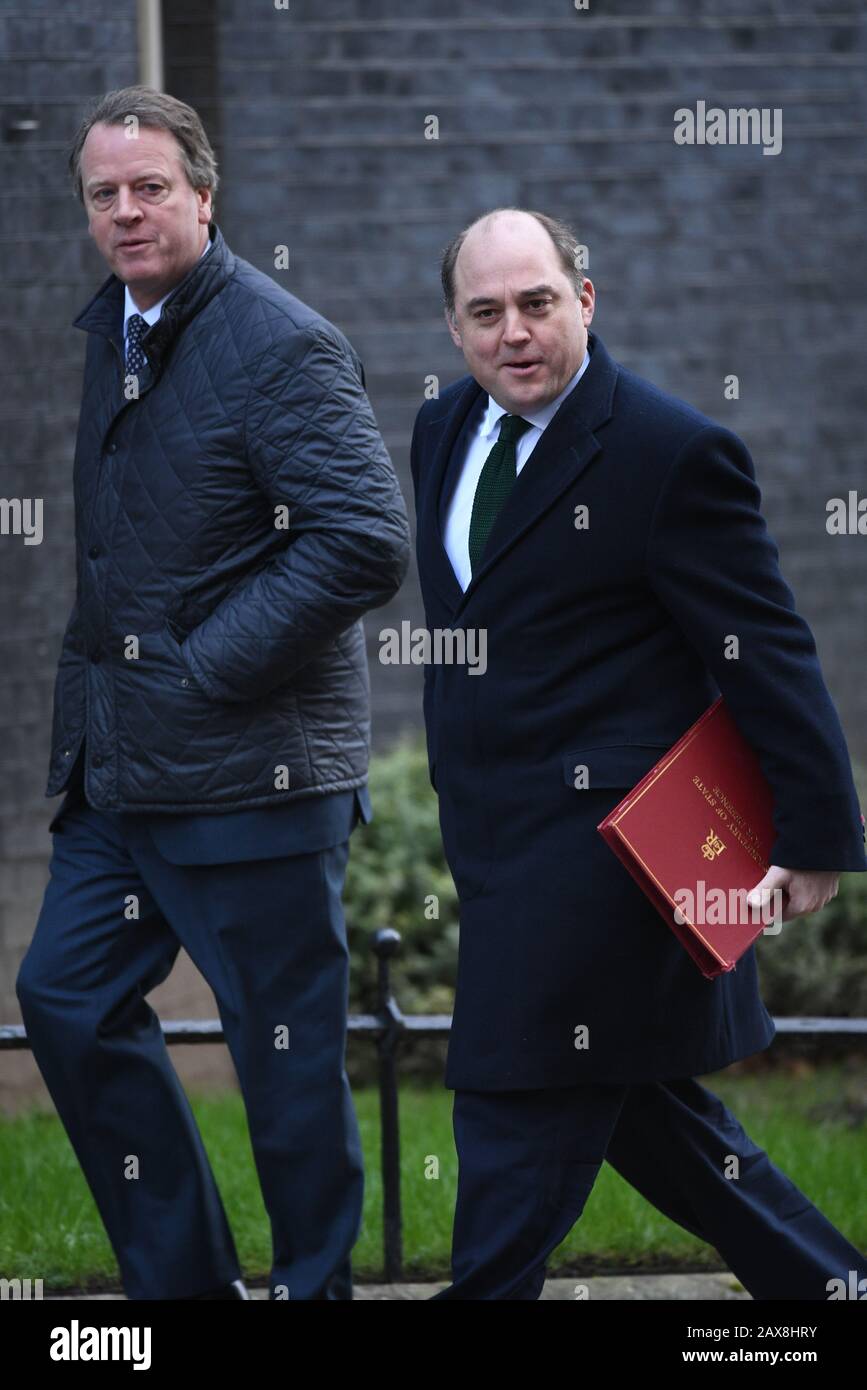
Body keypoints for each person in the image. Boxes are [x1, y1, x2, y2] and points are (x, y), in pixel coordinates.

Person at [410, 205, 867, 1300]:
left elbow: (765, 649)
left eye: (537, 304)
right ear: (455, 328)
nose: (514, 332)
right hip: (496, 843)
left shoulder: (670, 453)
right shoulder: (441, 432)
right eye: (486, 313)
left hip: (609, 867)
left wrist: (812, 835)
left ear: (586, 302)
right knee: (657, 1126)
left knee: (513, 1113)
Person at [15, 86, 410, 1301]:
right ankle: (181, 1286)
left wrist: (207, 668)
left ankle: (314, 1291)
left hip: (255, 779)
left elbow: (361, 538)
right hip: (125, 778)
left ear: (202, 189)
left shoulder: (277, 338)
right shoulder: (121, 328)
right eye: (103, 194)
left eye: (150, 187)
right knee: (65, 997)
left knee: (283, 1062)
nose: (127, 211)